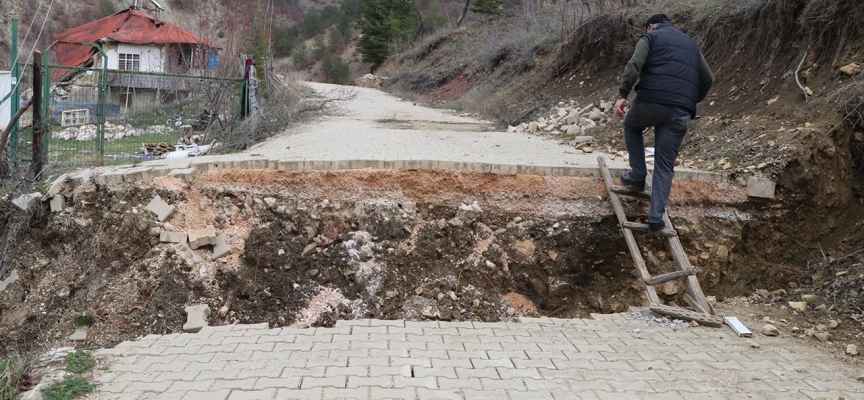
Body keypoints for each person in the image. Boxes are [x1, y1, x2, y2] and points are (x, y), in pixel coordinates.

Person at [614, 13, 713, 233]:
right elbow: (708, 80)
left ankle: (638, 175)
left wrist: (622, 94)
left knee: (631, 125)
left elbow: (634, 65)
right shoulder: (691, 44)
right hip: (682, 110)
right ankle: (656, 219)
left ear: (651, 26)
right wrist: (688, 99)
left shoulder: (650, 37)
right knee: (665, 165)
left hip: (652, 100)